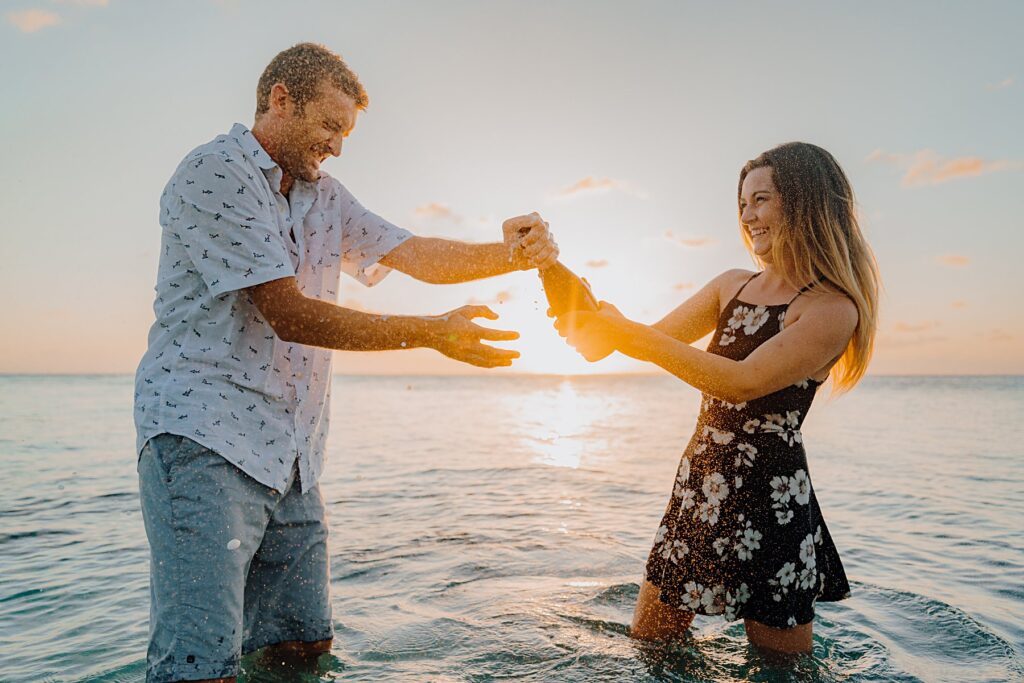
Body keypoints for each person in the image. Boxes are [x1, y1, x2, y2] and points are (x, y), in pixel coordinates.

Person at [134, 43, 557, 683]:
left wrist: (512, 255)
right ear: (281, 99)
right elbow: (289, 313)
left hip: (293, 456)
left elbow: (414, 253)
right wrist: (431, 334)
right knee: (200, 665)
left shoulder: (325, 195)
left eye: (346, 131)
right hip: (203, 441)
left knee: (302, 652)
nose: (337, 144)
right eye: (330, 125)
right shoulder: (213, 172)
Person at [555, 142, 880, 654]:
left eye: (762, 200)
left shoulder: (831, 309)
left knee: (780, 670)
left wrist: (624, 332)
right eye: (743, 204)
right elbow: (640, 341)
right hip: (699, 484)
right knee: (651, 647)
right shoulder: (731, 286)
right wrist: (577, 301)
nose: (748, 216)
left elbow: (740, 381)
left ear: (805, 204)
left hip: (771, 499)